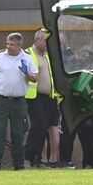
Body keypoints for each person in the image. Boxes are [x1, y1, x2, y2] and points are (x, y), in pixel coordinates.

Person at [0, 33, 37, 170]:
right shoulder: (0, 56)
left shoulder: (27, 58)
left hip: (18, 102)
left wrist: (27, 73)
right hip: (1, 100)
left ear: (19, 45)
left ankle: (18, 164)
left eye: (11, 44)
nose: (8, 47)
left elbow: (34, 78)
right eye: (7, 43)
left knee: (18, 133)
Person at [24, 29, 65, 168]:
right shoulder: (28, 54)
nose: (48, 45)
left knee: (53, 127)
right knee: (39, 126)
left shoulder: (48, 55)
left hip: (51, 97)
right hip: (35, 97)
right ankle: (31, 157)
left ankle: (51, 160)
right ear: (38, 40)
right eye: (46, 41)